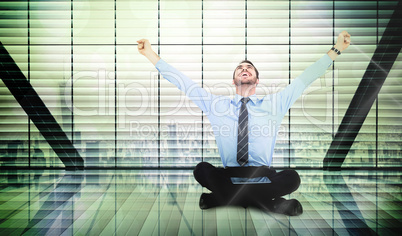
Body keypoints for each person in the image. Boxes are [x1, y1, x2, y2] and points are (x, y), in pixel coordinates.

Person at [137, 31, 351, 216]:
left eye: (249, 67)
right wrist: (149, 54)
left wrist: (337, 50)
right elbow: (183, 82)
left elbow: (305, 78)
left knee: (292, 178)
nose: (244, 68)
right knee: (201, 169)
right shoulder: (215, 104)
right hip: (230, 175)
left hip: (263, 175)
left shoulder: (275, 103)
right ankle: (270, 204)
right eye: (240, 68)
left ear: (257, 80)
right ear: (233, 80)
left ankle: (223, 199)